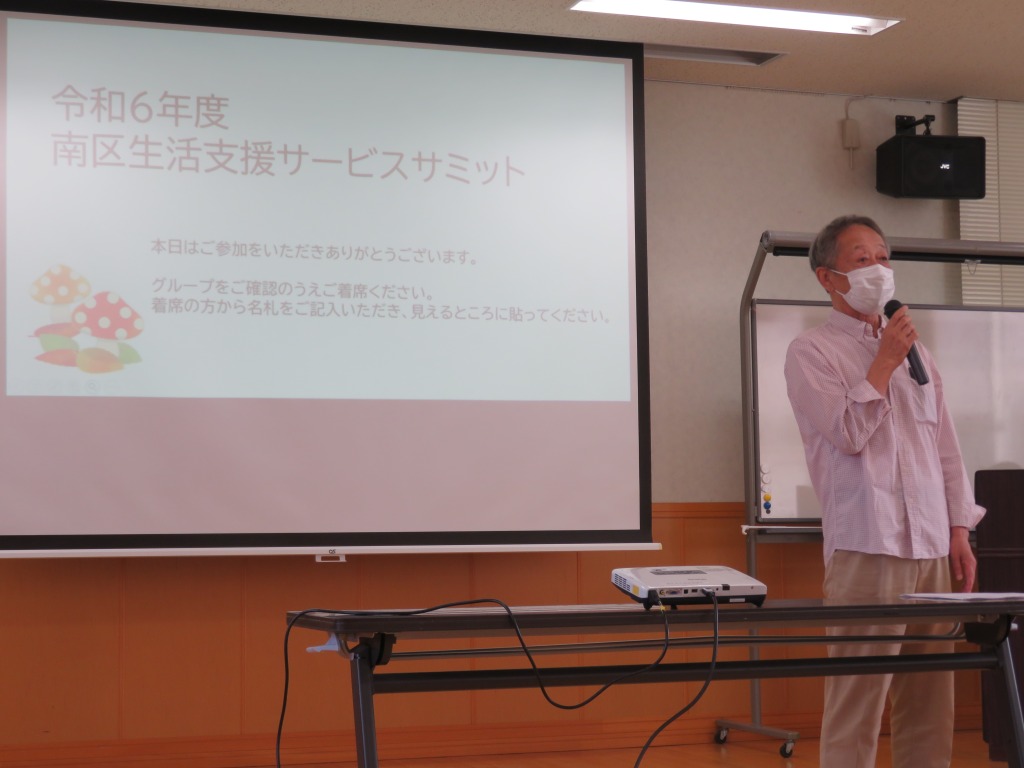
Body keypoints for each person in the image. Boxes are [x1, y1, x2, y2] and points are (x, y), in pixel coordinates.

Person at [783, 214, 986, 768]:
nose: (877, 268)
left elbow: (944, 446)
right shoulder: (811, 352)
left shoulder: (919, 353)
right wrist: (883, 362)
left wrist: (959, 529)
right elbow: (847, 433)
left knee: (930, 702)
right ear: (828, 278)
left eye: (882, 257)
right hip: (868, 545)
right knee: (858, 702)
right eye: (861, 259)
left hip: (932, 547)